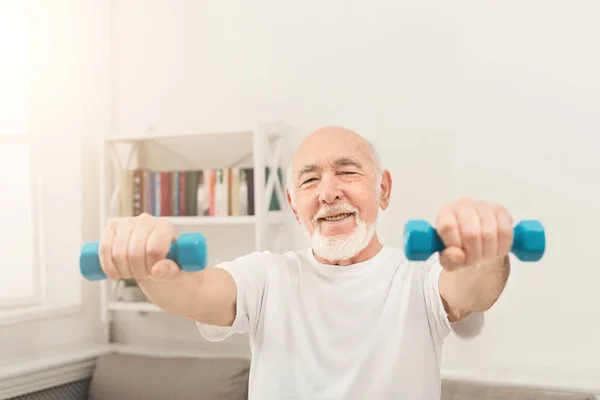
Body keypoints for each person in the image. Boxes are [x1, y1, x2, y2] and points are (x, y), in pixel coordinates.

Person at [98, 126, 514, 399]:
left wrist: (486, 250)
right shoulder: (267, 277)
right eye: (310, 179)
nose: (328, 192)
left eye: (347, 172)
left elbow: (472, 290)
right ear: (295, 205)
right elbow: (194, 292)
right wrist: (149, 260)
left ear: (382, 190)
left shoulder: (421, 279)